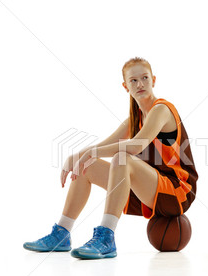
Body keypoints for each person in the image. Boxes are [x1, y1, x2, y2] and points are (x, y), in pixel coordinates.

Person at [23, 57, 198, 259]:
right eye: (133, 80)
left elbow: (136, 145)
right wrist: (77, 156)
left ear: (154, 80)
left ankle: (106, 236)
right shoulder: (135, 119)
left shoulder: (161, 110)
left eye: (145, 78)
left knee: (122, 157)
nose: (140, 84)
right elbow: (103, 146)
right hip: (151, 189)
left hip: (178, 191)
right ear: (125, 86)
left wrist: (91, 152)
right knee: (87, 165)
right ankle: (62, 233)